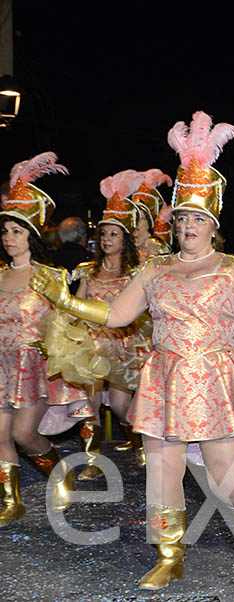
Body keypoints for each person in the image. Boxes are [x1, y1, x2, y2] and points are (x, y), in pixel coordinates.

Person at [31, 112, 234, 589]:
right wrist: (66, 300)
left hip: (217, 378)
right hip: (167, 376)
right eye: (184, 218)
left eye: (200, 219)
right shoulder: (154, 270)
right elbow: (116, 317)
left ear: (214, 225)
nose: (190, 226)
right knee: (163, 469)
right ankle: (169, 552)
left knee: (225, 478)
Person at [43, 171, 151, 479]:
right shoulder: (87, 272)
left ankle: (137, 439)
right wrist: (63, 332)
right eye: (103, 234)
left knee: (119, 406)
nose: (106, 240)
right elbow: (76, 306)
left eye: (114, 234)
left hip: (123, 346)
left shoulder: (134, 274)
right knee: (87, 404)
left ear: (124, 239)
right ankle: (92, 458)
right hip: (92, 345)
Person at [0, 152, 78, 528]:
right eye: (5, 231)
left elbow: (67, 321)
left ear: (31, 234)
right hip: (1, 363)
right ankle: (11, 501)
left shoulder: (50, 276)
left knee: (23, 433)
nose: (9, 238)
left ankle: (60, 469)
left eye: (17, 230)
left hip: (34, 365)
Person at [132, 169, 172, 262]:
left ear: (149, 223)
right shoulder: (126, 245)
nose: (136, 222)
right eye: (134, 218)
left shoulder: (154, 246)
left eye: (141, 218)